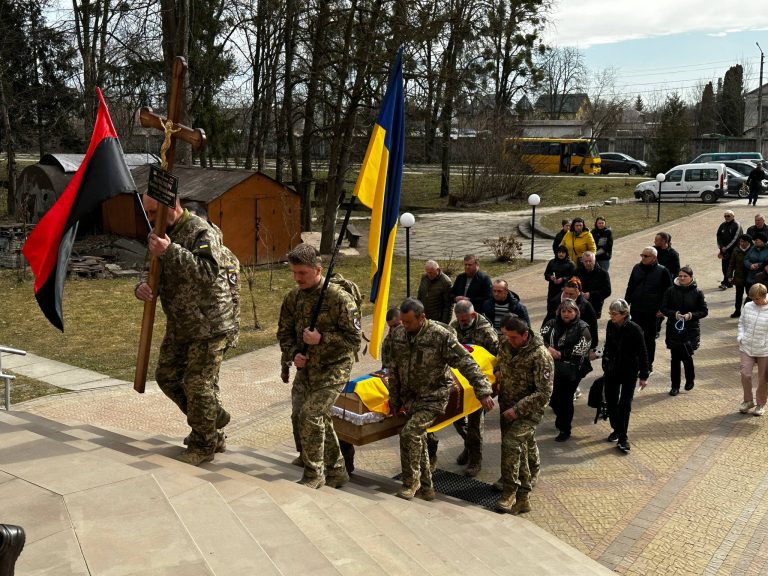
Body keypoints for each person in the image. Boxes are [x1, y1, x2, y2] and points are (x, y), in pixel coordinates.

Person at [135, 195, 237, 466]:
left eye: (154, 212)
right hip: (181, 324)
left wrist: (170, 251)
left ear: (172, 206)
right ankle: (212, 420)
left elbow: (208, 273)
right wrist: (141, 287)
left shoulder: (201, 231)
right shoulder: (157, 235)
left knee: (197, 384)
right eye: (148, 213)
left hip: (210, 324)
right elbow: (149, 270)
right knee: (167, 376)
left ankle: (204, 444)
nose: (150, 218)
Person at [386, 298, 494, 501]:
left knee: (410, 433)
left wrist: (483, 391)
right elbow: (393, 369)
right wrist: (394, 399)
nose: (404, 326)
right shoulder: (398, 335)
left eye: (409, 322)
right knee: (419, 438)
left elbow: (466, 362)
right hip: (410, 397)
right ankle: (427, 488)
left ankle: (411, 483)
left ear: (422, 317)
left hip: (434, 396)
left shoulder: (440, 336)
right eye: (403, 321)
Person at [277, 244, 362, 489]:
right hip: (307, 368)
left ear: (318, 270)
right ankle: (337, 470)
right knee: (300, 415)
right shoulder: (292, 298)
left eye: (302, 273)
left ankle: (314, 473)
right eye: (294, 272)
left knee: (311, 415)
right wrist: (294, 354)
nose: (297, 278)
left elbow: (354, 340)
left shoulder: (338, 298)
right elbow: (284, 333)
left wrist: (322, 339)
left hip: (334, 368)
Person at [494, 315, 553, 514]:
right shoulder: (506, 343)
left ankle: (511, 492)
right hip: (507, 405)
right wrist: (497, 371)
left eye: (513, 337)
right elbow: (499, 360)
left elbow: (543, 393)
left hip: (529, 411)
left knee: (511, 444)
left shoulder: (541, 356)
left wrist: (517, 409)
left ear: (525, 334)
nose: (508, 340)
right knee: (520, 445)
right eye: (506, 336)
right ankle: (524, 477)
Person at [450, 300, 499, 477]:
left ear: (473, 315)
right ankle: (469, 446)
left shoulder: (486, 332)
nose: (462, 323)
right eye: (459, 319)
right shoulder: (454, 327)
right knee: (456, 418)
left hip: (480, 384)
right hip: (461, 382)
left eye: (465, 320)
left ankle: (475, 461)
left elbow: (499, 356)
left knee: (475, 423)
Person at [602, 299, 650, 453]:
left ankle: (623, 438)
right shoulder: (610, 325)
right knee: (611, 402)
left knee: (625, 404)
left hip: (629, 371)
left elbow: (643, 353)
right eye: (610, 313)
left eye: (614, 314)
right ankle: (617, 429)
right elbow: (608, 345)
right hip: (612, 370)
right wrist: (605, 362)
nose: (611, 316)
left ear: (624, 314)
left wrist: (644, 375)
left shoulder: (635, 329)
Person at [540, 299, 592, 442]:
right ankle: (561, 417)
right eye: (563, 311)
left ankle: (565, 428)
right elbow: (538, 338)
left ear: (576, 312)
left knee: (566, 398)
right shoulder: (551, 323)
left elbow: (582, 348)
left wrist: (561, 354)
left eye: (570, 311)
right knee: (553, 397)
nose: (566, 314)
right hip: (552, 367)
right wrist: (548, 349)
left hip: (573, 369)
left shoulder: (583, 328)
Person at [660, 266, 708, 396]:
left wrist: (690, 315)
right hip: (674, 329)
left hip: (690, 330)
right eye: (680, 276)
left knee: (687, 356)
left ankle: (690, 379)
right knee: (675, 358)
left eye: (685, 276)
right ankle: (675, 386)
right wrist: (674, 314)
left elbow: (704, 311)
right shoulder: (670, 291)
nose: (682, 278)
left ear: (691, 277)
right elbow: (663, 308)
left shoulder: (697, 292)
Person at [624, 247, 672, 371]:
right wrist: (625, 303)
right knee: (635, 336)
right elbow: (630, 286)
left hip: (652, 312)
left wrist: (663, 310)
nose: (643, 258)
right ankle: (635, 362)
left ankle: (647, 365)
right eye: (642, 255)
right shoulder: (636, 268)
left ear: (654, 258)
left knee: (649, 339)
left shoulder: (663, 271)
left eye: (646, 256)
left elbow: (668, 292)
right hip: (636, 309)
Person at [737, 283, 768, 416]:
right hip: (747, 346)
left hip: (764, 350)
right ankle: (748, 401)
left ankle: (761, 404)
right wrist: (741, 337)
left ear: (764, 296)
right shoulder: (748, 306)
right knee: (745, 374)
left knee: (763, 378)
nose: (754, 301)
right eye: (752, 298)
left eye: (757, 299)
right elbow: (741, 323)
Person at [575, 251, 612, 319]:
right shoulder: (577, 271)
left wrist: (591, 294)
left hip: (595, 306)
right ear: (582, 261)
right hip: (579, 304)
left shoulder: (603, 274)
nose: (588, 263)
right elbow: (571, 285)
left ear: (594, 261)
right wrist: (579, 293)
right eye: (586, 261)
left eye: (590, 261)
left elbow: (607, 291)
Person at [726, 234, 753, 318]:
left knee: (750, 295)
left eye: (743, 242)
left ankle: (748, 312)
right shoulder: (736, 250)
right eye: (740, 241)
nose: (741, 243)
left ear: (748, 242)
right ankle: (737, 311)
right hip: (739, 277)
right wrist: (729, 275)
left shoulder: (753, 250)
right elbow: (731, 264)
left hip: (750, 277)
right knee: (738, 295)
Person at [717, 210, 743, 290]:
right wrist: (721, 247)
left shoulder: (737, 225)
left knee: (731, 266)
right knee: (724, 266)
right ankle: (727, 281)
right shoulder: (722, 225)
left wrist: (726, 247)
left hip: (734, 250)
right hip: (724, 250)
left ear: (733, 216)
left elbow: (736, 238)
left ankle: (727, 282)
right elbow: (718, 236)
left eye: (728, 216)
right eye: (725, 216)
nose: (726, 217)